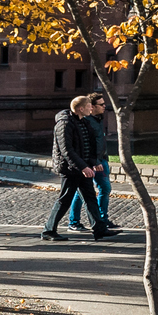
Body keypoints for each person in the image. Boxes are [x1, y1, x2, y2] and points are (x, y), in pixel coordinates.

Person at [43, 94, 114, 241]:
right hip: (70, 169)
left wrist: (94, 162)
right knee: (65, 199)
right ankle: (49, 231)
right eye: (89, 106)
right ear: (81, 109)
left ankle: (100, 229)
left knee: (90, 198)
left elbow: (89, 145)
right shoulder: (65, 124)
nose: (91, 108)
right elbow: (67, 150)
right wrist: (83, 167)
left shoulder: (84, 122)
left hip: (83, 167)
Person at [68, 95, 114, 232]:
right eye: (101, 104)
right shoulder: (86, 122)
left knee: (103, 189)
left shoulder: (98, 120)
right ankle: (75, 221)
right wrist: (95, 162)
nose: (104, 106)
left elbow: (100, 142)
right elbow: (87, 145)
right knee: (83, 192)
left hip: (101, 160)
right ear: (92, 107)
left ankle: (101, 219)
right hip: (93, 162)